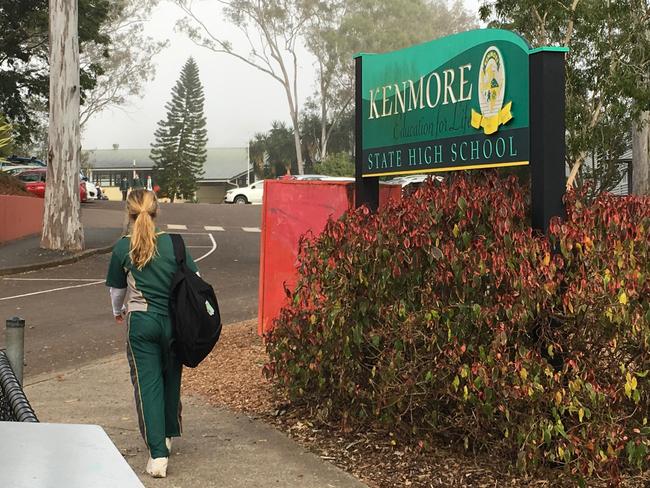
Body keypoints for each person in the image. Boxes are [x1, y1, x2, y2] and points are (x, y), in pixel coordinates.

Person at [105, 189, 199, 478]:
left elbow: (117, 292)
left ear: (129, 214)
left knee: (148, 385)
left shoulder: (123, 247)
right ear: (156, 212)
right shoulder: (175, 243)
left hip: (142, 322)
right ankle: (168, 433)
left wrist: (118, 313)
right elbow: (194, 280)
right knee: (171, 379)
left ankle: (158, 453)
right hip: (174, 323)